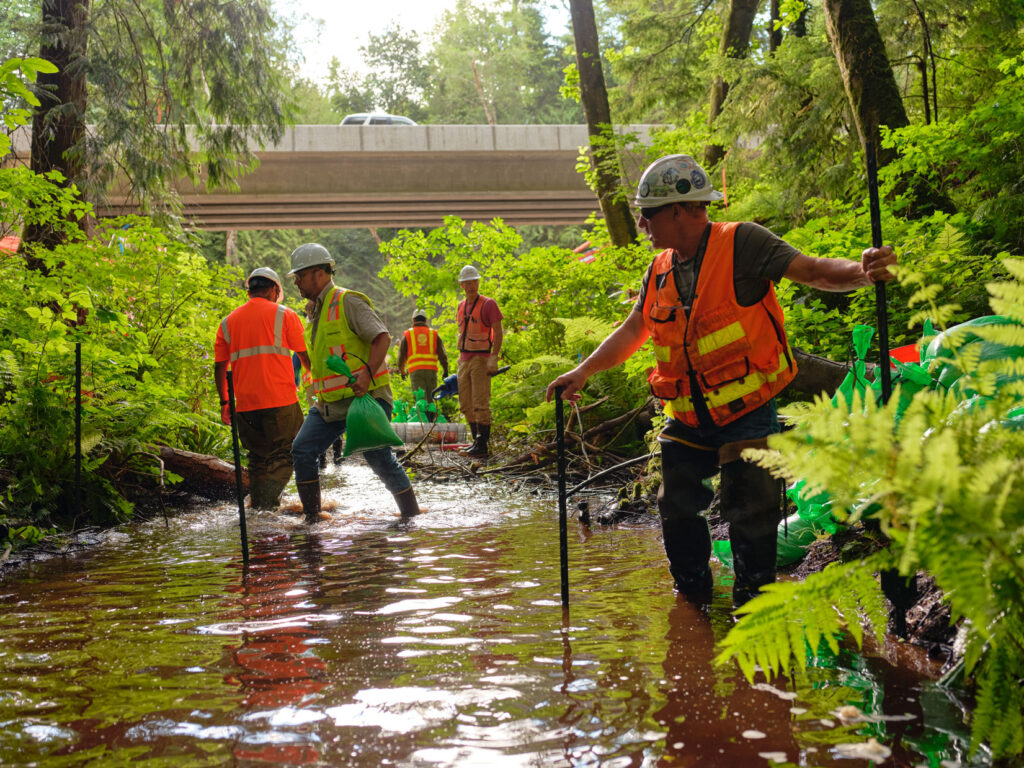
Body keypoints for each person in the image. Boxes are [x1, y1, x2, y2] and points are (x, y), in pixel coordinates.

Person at [546, 154, 896, 607]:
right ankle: (692, 604)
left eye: (647, 215)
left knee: (752, 515)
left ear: (678, 210)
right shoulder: (658, 270)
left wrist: (863, 271)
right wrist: (582, 371)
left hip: (748, 413)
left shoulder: (743, 243)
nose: (642, 225)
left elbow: (812, 270)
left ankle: (752, 610)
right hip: (688, 419)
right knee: (674, 508)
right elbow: (634, 331)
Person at [287, 243, 420, 523]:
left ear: (319, 273)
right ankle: (313, 519)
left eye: (300, 275)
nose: (296, 282)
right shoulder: (316, 310)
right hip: (331, 404)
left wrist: (366, 373)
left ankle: (412, 517)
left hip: (366, 398)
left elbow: (382, 336)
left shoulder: (348, 301)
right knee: (302, 449)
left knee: (378, 458)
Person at [214, 267, 311, 510]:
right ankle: (267, 507)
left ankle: (258, 509)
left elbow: (219, 366)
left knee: (257, 458)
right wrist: (317, 380)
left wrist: (225, 402)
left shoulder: (228, 321)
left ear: (250, 290)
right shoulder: (284, 315)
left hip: (245, 403)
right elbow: (304, 356)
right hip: (280, 399)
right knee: (288, 452)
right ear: (274, 289)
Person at [456, 265, 504, 457]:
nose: (471, 285)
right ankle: (476, 441)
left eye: (474, 281)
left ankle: (482, 446)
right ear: (462, 285)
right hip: (463, 359)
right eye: (467, 282)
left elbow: (498, 331)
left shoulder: (488, 304)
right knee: (466, 404)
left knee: (480, 402)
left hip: (481, 358)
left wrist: (494, 356)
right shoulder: (461, 306)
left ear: (478, 282)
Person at [398, 309, 449, 421]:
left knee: (421, 400)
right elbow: (442, 354)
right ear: (426, 319)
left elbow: (401, 356)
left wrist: (402, 371)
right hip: (431, 372)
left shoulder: (408, 334)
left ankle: (424, 428)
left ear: (413, 320)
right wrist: (445, 370)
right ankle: (431, 425)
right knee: (431, 400)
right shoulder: (433, 334)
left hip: (416, 372)